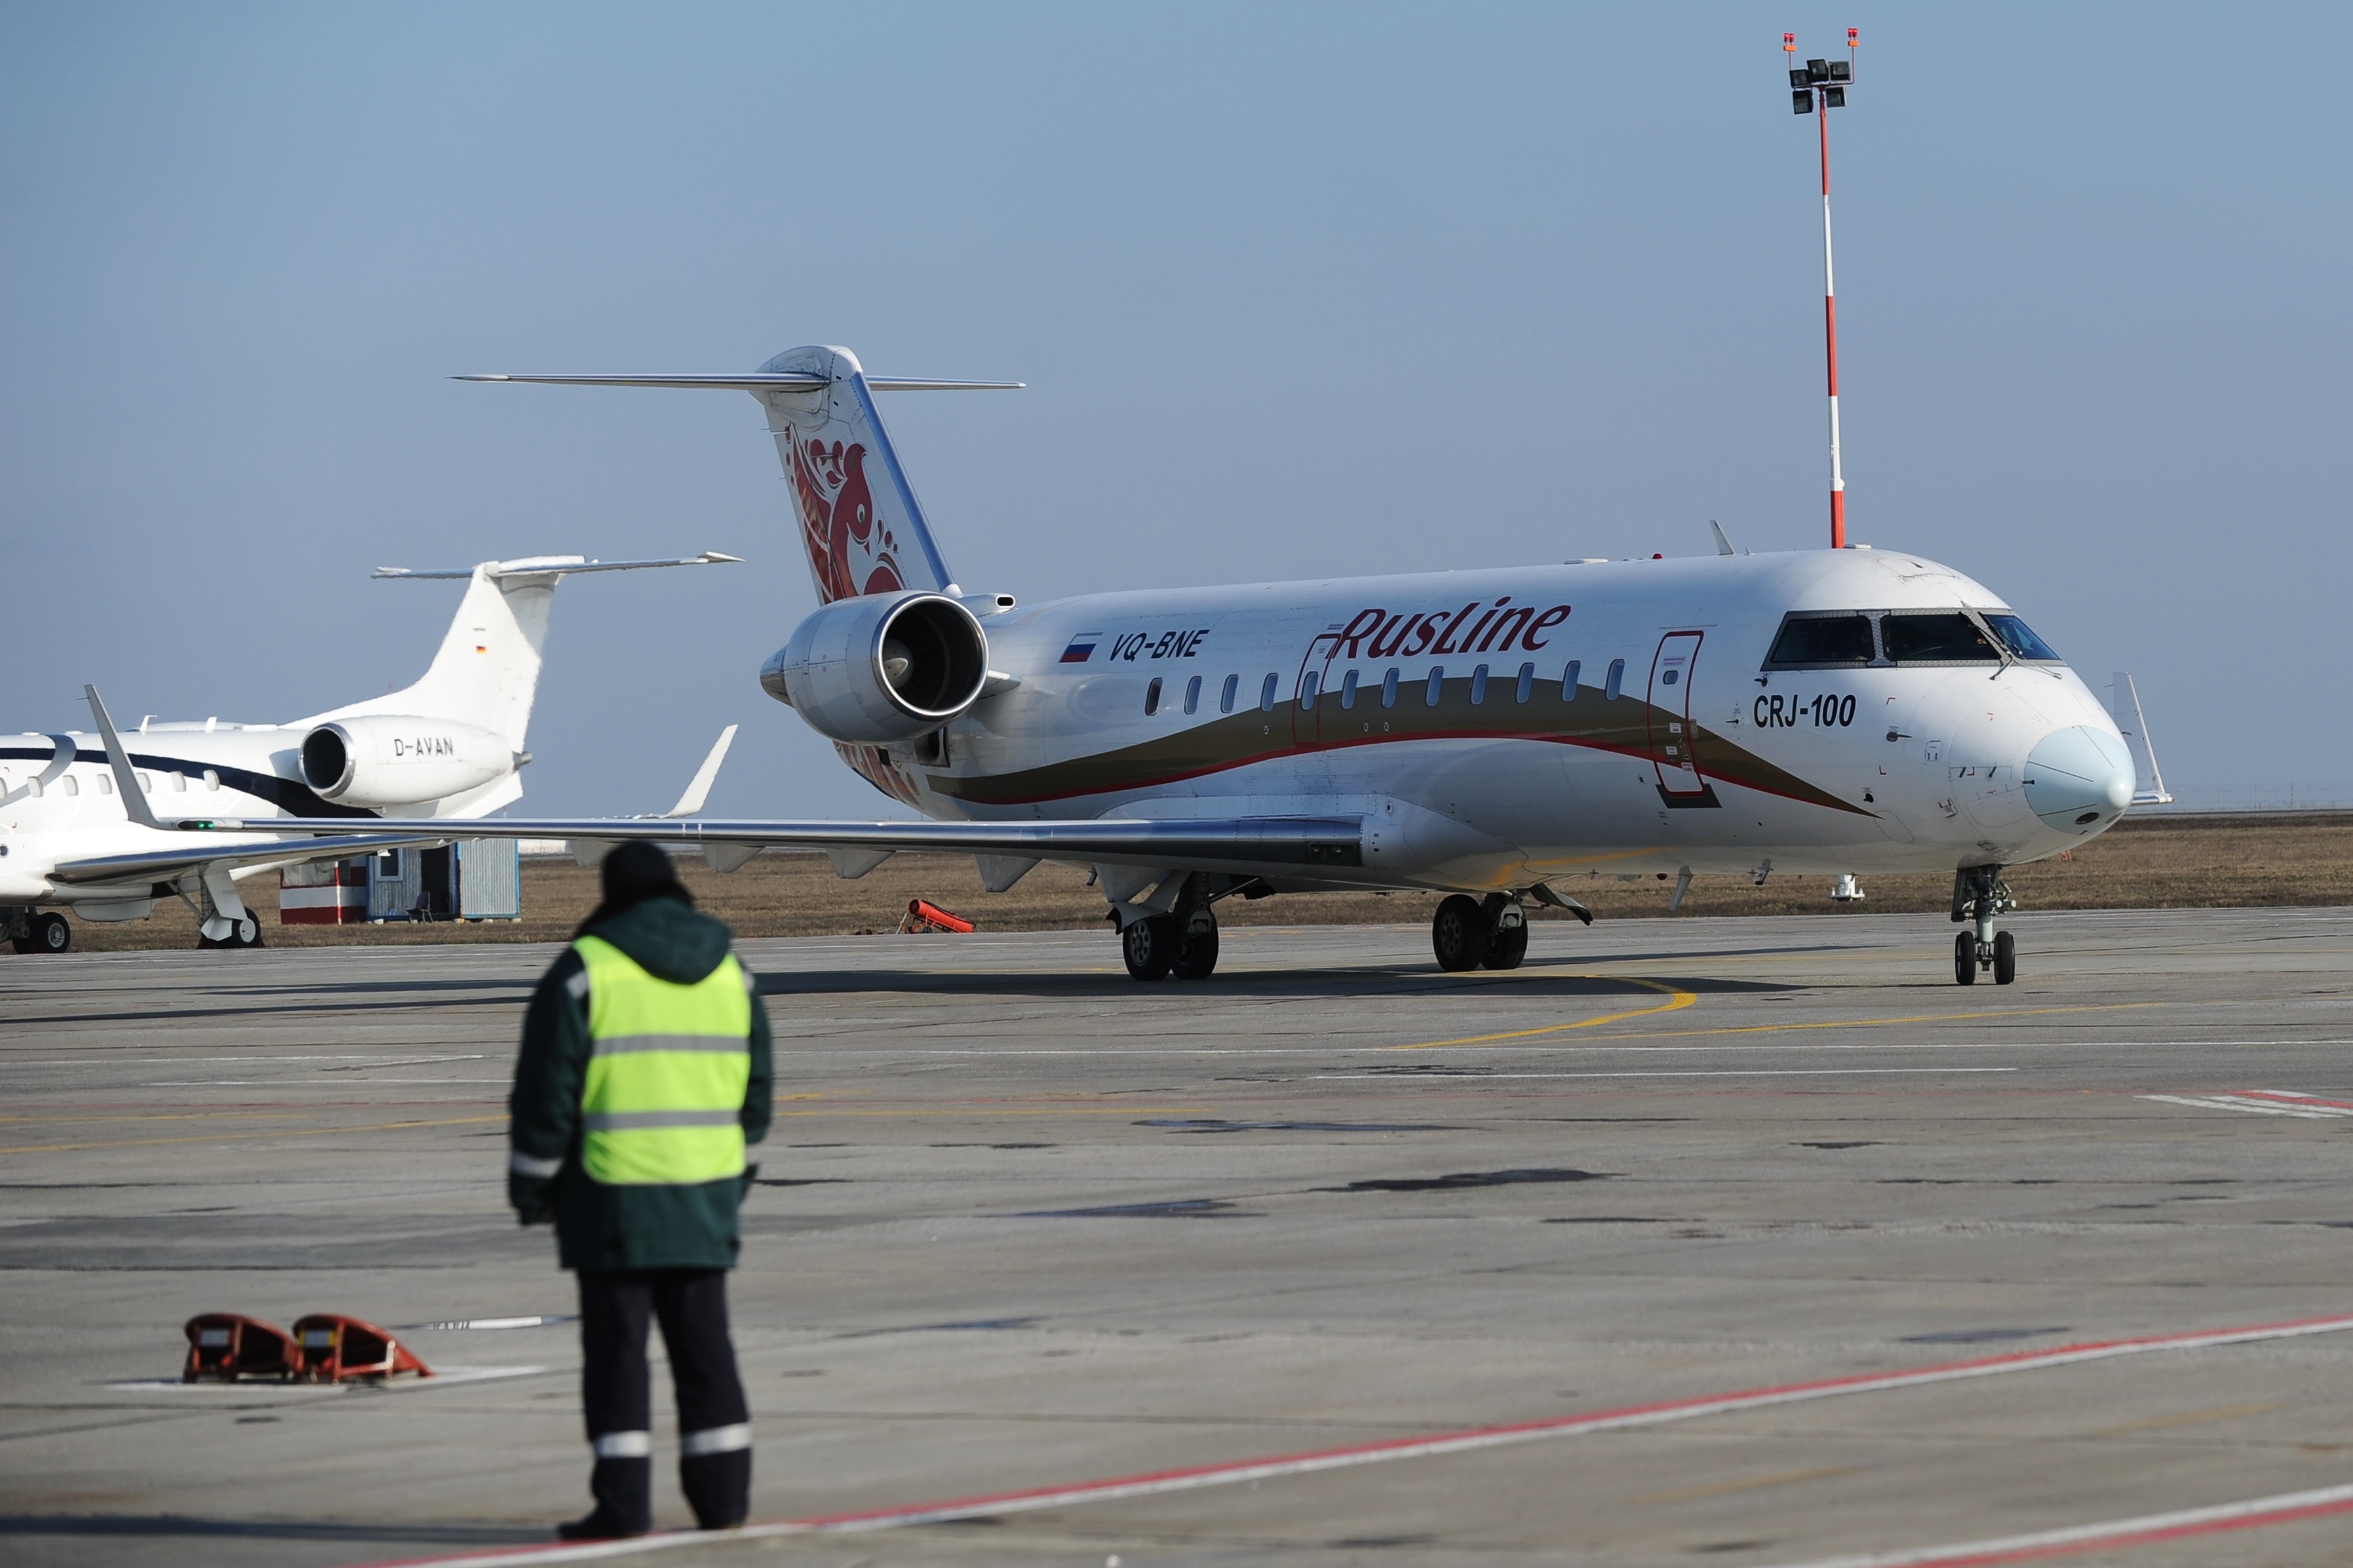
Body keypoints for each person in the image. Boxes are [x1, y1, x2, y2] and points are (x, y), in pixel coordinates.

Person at [507, 841, 774, 1540]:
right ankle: (723, 1503)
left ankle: (622, 1507)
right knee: (705, 1351)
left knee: (618, 1356)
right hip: (703, 1201)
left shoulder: (584, 973)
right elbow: (758, 1092)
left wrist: (533, 1188)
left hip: (610, 1199)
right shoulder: (732, 972)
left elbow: (544, 1093)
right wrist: (731, 1180)